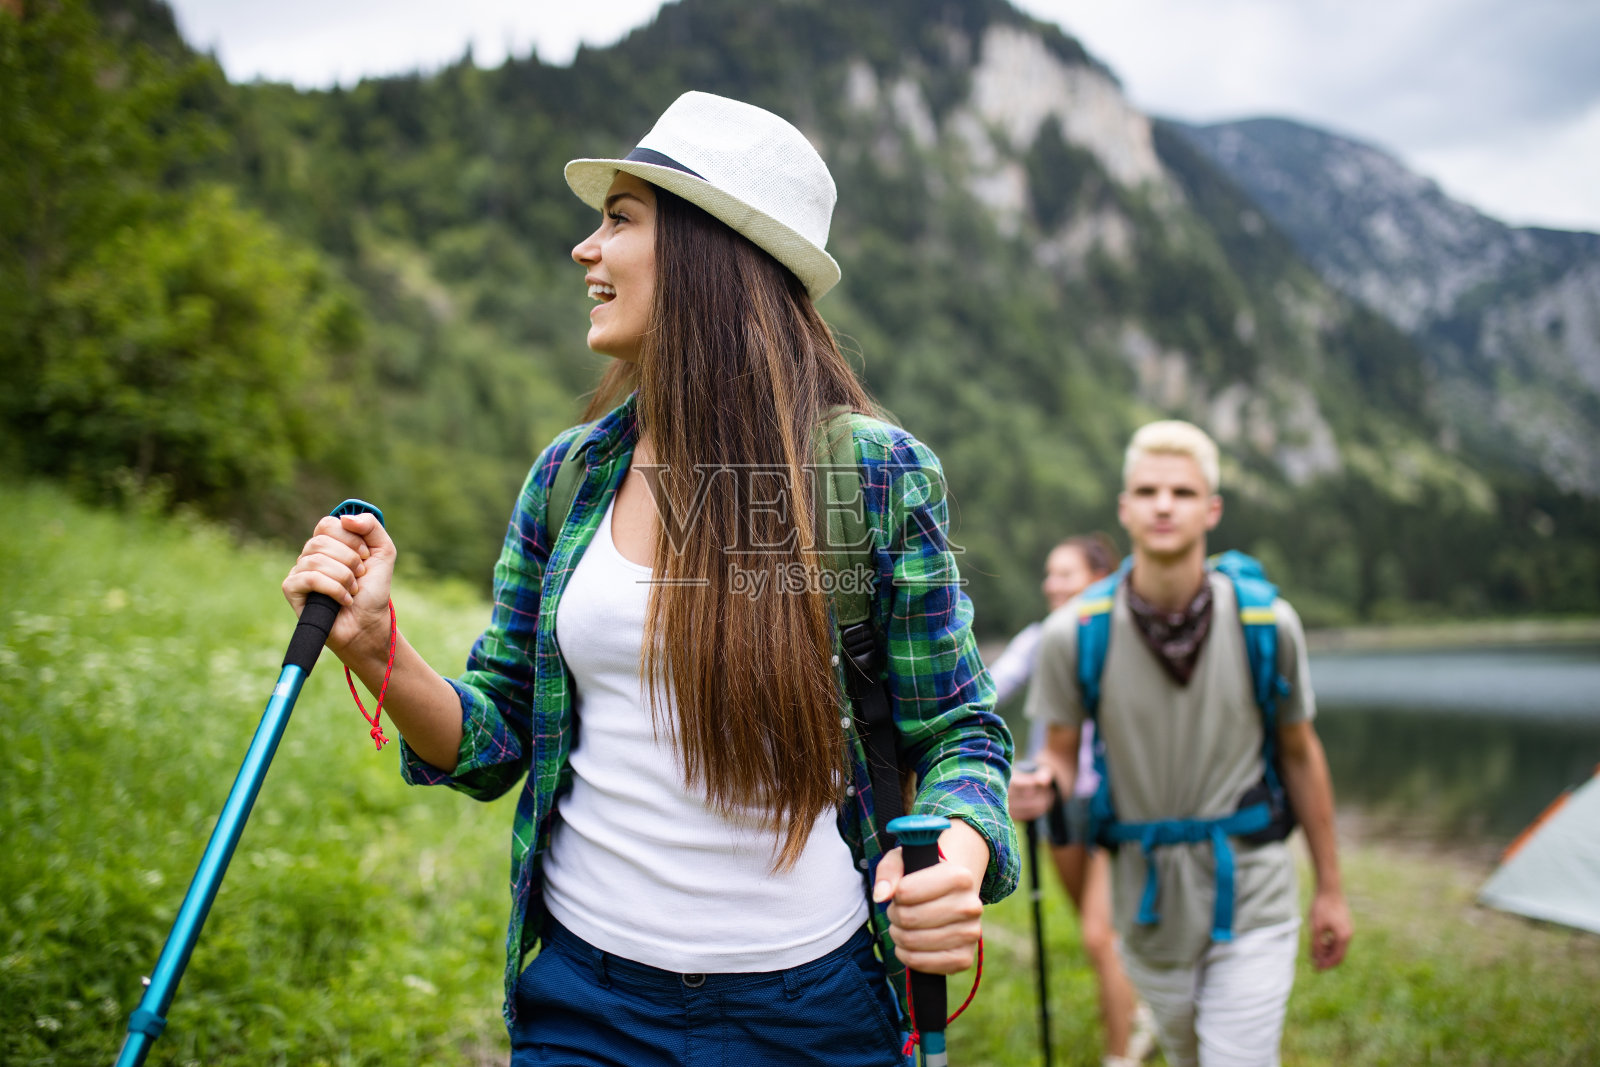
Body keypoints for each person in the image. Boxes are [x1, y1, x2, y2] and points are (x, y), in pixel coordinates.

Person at [282, 90, 1017, 1066]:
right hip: (586, 1001)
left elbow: (959, 726)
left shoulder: (870, 474)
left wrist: (957, 860)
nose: (585, 249)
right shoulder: (569, 476)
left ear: (712, 254)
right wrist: (379, 649)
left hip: (811, 1013)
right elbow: (497, 734)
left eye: (620, 219)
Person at [1009, 421, 1352, 1067]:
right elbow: (1059, 749)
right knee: (1187, 1054)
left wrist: (1330, 886)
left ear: (1212, 509)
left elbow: (1301, 752)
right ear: (1124, 508)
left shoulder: (1267, 625)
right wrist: (1040, 780)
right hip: (1146, 908)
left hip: (1251, 890)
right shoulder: (1073, 634)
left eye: (1183, 492)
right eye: (1147, 490)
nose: (1164, 504)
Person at [989, 533, 1157, 1067]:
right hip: (1057, 798)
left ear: (1100, 580)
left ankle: (1121, 1055)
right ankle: (1143, 1008)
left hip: (1116, 801)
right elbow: (988, 692)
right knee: (1101, 923)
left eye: (1065, 574)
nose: (1051, 584)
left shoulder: (1126, 637)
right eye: (1050, 574)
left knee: (1098, 934)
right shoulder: (1041, 638)